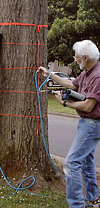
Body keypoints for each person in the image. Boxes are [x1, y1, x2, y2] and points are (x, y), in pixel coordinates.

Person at [38, 40, 100, 208]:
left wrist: (65, 104)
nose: (75, 60)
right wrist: (49, 74)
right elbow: (71, 84)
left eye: (77, 57)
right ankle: (93, 199)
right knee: (86, 161)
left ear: (86, 58)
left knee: (71, 164)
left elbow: (88, 105)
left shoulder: (97, 76)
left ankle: (77, 205)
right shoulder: (88, 72)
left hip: (93, 124)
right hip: (87, 123)